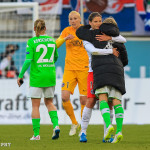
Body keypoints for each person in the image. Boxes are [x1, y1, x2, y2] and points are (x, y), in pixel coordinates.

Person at [76, 13, 127, 143]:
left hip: (105, 70)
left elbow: (122, 39)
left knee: (109, 103)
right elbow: (93, 51)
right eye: (96, 21)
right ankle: (83, 132)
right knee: (91, 101)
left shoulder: (105, 33)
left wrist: (110, 37)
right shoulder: (87, 37)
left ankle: (107, 134)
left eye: (100, 21)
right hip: (93, 72)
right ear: (90, 22)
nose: (98, 23)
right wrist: (111, 51)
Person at [17, 19, 60, 140]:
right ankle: (56, 126)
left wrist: (20, 75)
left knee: (35, 106)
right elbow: (55, 57)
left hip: (37, 77)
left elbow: (27, 61)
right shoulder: (52, 41)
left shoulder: (31, 42)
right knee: (50, 102)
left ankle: (36, 135)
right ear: (45, 29)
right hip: (50, 75)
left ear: (34, 29)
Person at [56, 11, 89, 136]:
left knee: (83, 100)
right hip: (69, 68)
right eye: (71, 19)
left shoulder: (85, 30)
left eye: (75, 18)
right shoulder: (66, 31)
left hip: (84, 69)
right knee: (64, 96)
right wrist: (64, 39)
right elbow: (55, 45)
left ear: (80, 19)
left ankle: (82, 128)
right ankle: (74, 122)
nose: (73, 20)